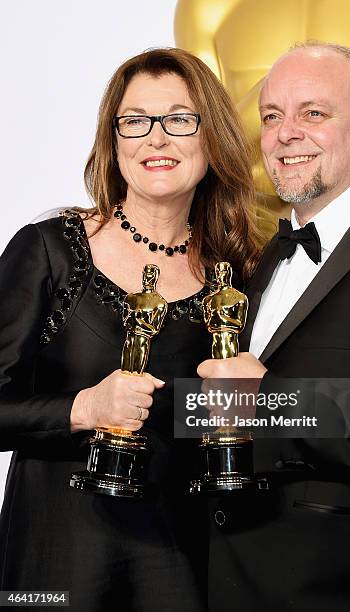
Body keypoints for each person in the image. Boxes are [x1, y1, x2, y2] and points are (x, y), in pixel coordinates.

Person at [0, 48, 261, 612]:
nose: (156, 139)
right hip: (56, 570)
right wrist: (86, 409)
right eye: (136, 121)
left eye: (179, 120)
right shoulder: (48, 249)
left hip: (187, 567)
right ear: (113, 140)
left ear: (210, 138)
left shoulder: (241, 275)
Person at [198, 42, 350, 611]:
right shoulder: (261, 259)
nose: (285, 133)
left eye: (313, 113)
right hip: (226, 584)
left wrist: (270, 400)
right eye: (272, 116)